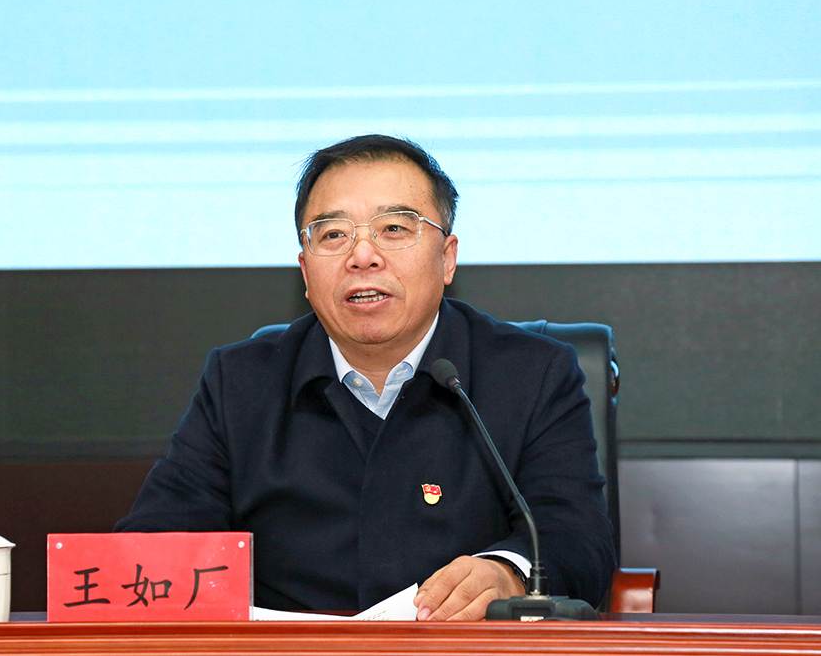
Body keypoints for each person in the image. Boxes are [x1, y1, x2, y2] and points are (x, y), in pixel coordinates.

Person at [115, 134, 615, 620]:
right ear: (306, 272)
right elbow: (156, 543)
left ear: (446, 258)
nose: (362, 256)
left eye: (393, 229)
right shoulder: (241, 382)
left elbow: (577, 540)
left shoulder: (533, 373)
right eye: (333, 235)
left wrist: (508, 575)